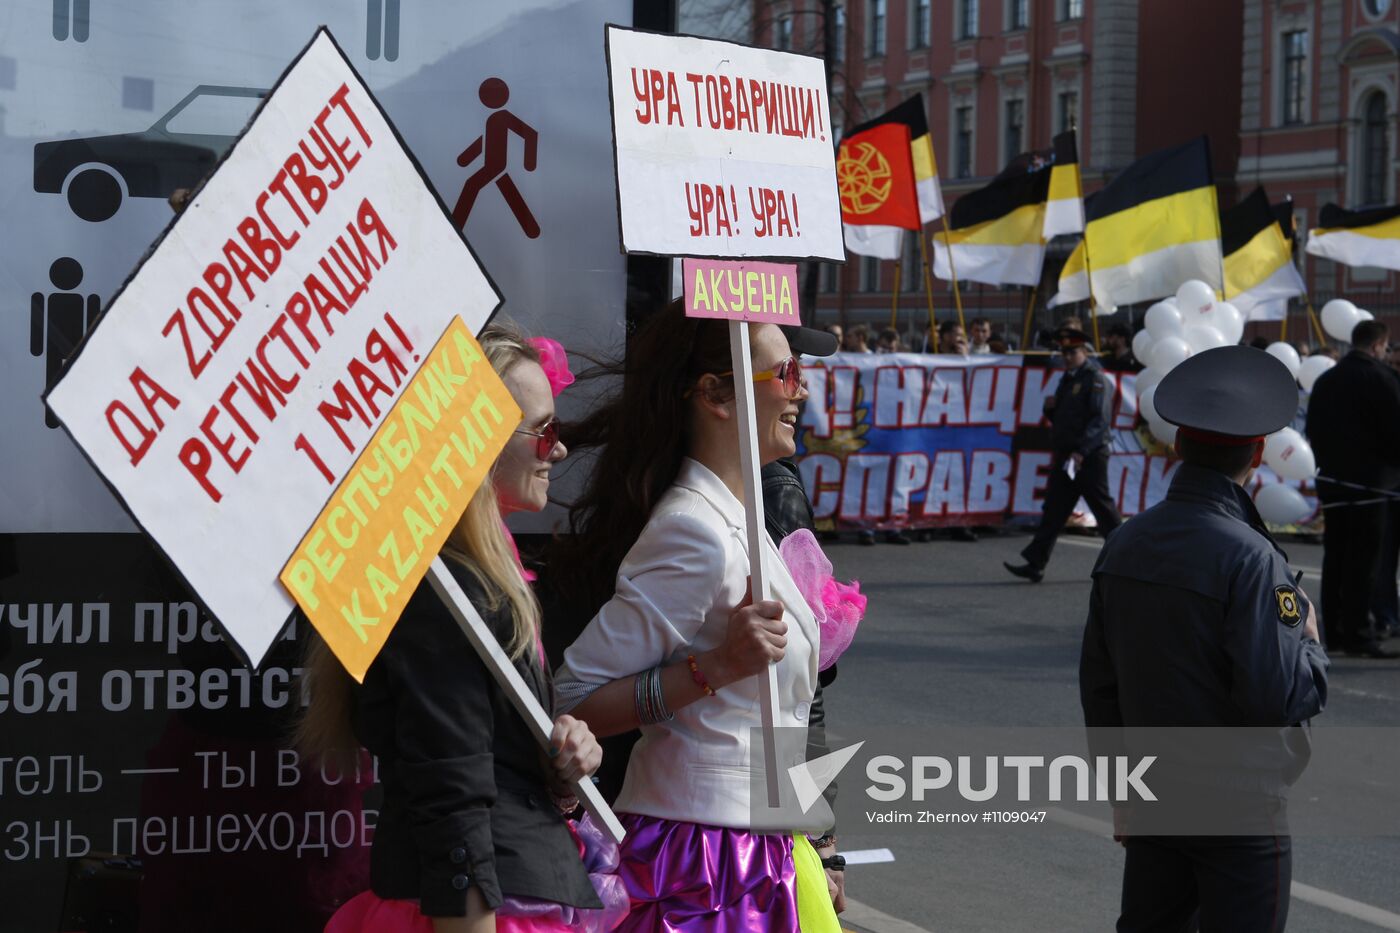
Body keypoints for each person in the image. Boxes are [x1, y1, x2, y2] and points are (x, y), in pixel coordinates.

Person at [299, 323, 626, 933]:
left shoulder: (477, 581)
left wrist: (556, 769)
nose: (558, 450)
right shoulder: (442, 592)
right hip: (479, 910)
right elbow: (451, 793)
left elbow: (486, 772)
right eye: (545, 430)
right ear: (475, 438)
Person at [550, 303, 840, 932]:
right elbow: (575, 697)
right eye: (785, 373)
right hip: (700, 859)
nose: (803, 387)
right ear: (716, 394)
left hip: (759, 849)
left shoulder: (743, 516)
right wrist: (715, 667)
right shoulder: (695, 530)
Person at [1080, 344, 1329, 933]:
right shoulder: (1252, 558)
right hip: (1238, 802)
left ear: (1176, 447)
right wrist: (1311, 643)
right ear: (1260, 454)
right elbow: (1277, 697)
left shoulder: (1126, 541)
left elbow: (1101, 684)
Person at [1304, 318, 1400, 658]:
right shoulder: (1383, 379)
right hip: (1371, 485)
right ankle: (1359, 632)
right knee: (1364, 562)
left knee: (1336, 558)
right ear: (1377, 345)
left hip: (1332, 481)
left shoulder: (1326, 380)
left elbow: (1312, 428)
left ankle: (1336, 631)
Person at [1005, 327, 1122, 582]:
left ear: (1084, 352)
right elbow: (1064, 420)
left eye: (1072, 351)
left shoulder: (1095, 378)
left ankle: (1130, 560)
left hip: (1089, 456)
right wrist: (1050, 410)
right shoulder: (1068, 378)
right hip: (1068, 455)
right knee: (1055, 510)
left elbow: (1100, 420)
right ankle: (1036, 562)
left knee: (1103, 510)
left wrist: (1082, 451)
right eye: (1064, 352)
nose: (1067, 356)